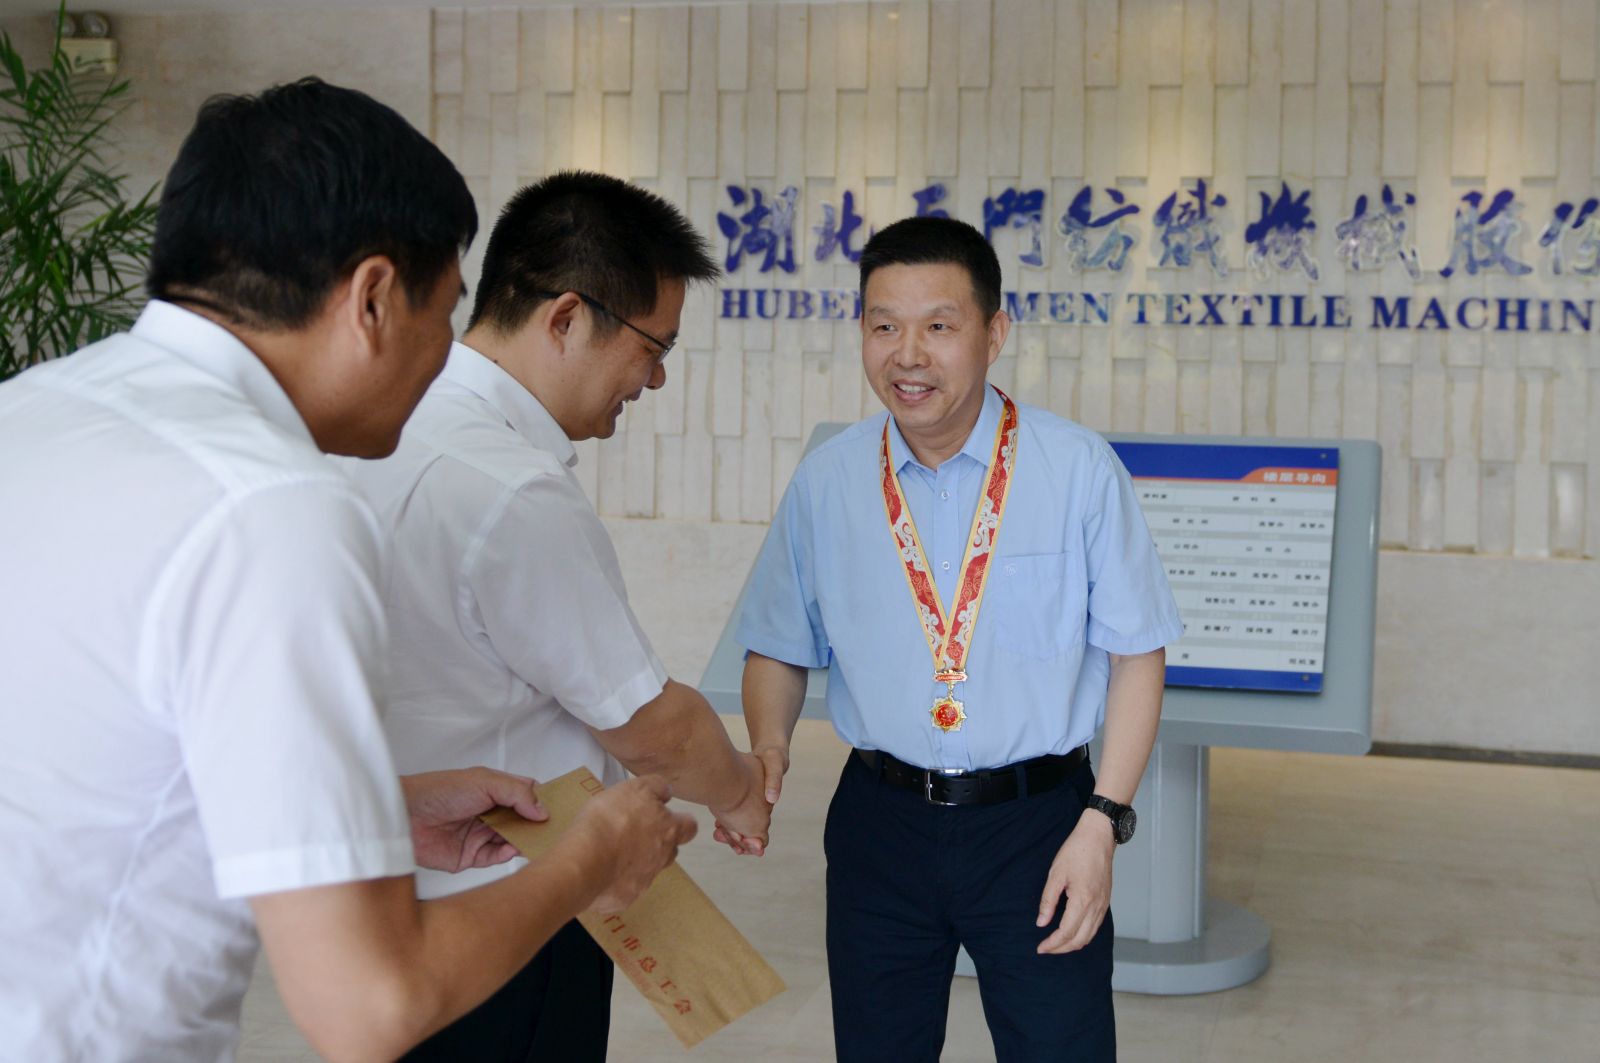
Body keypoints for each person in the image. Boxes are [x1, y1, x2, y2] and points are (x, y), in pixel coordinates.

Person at [0, 80, 695, 1063]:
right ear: (372, 299)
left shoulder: (32, 410)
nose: (446, 360)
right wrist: (591, 859)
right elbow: (369, 1005)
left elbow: (100, 764)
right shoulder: (273, 507)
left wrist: (383, 808)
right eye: (444, 314)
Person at [337, 170, 772, 1062]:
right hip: (508, 908)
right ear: (567, 317)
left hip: (368, 885)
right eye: (653, 346)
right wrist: (742, 791)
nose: (654, 379)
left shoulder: (377, 428)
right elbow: (653, 729)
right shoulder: (512, 488)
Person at [731, 216, 1183, 1061]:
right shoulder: (830, 479)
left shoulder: (1076, 470)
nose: (909, 355)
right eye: (884, 326)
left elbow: (1137, 654)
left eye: (939, 326)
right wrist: (768, 747)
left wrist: (1101, 822)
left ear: (994, 332)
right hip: (880, 822)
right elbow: (779, 643)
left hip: (1038, 825)